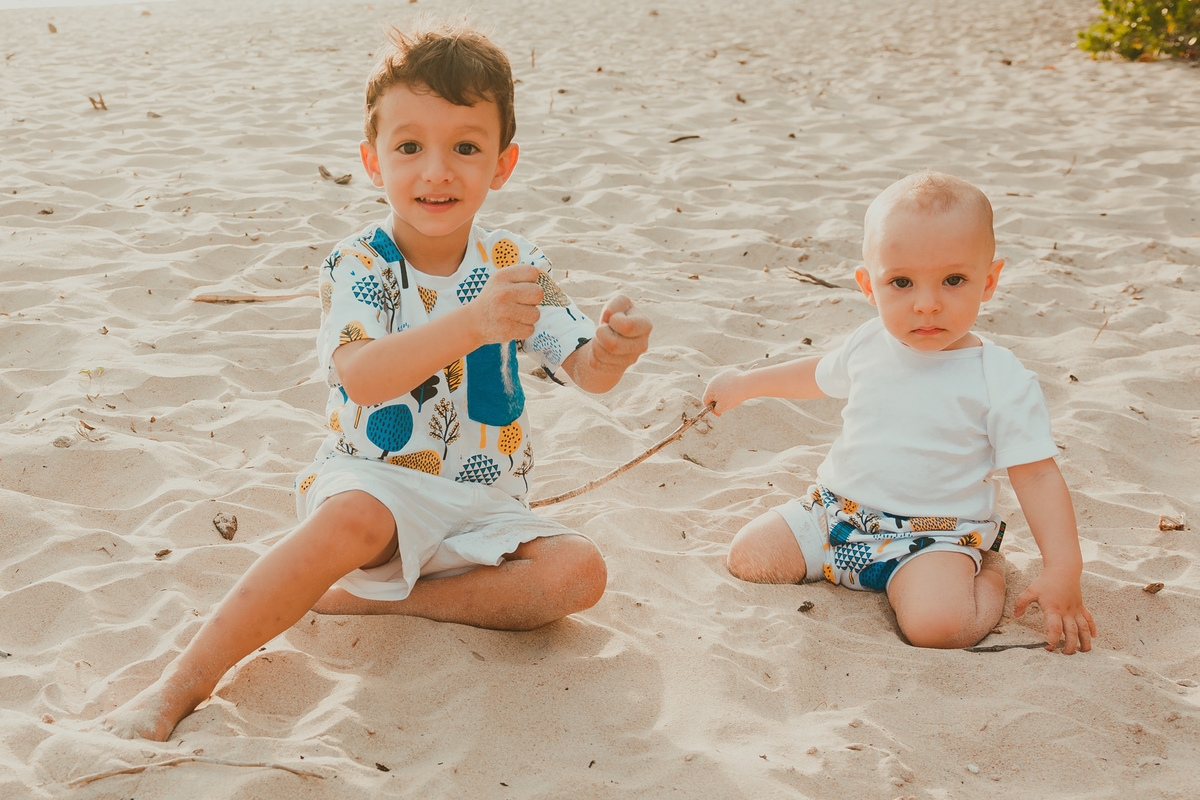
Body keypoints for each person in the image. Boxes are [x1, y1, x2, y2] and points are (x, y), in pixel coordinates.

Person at [102, 20, 652, 741]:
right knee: (351, 520)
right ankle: (180, 685)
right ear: (372, 161)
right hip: (378, 484)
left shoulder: (515, 259)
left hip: (485, 502)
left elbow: (580, 365)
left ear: (503, 163)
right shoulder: (360, 262)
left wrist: (609, 351)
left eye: (465, 147)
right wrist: (474, 324)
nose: (436, 171)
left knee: (578, 573)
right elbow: (361, 378)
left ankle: (387, 602)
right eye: (409, 147)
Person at [703, 171, 1096, 654]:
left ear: (989, 280)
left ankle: (986, 570)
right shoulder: (870, 343)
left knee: (939, 628)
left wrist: (1063, 567)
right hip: (838, 513)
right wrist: (746, 384)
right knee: (749, 557)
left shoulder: (999, 377)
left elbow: (1036, 476)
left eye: (954, 280)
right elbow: (815, 375)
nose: (926, 305)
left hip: (933, 538)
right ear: (869, 286)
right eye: (902, 282)